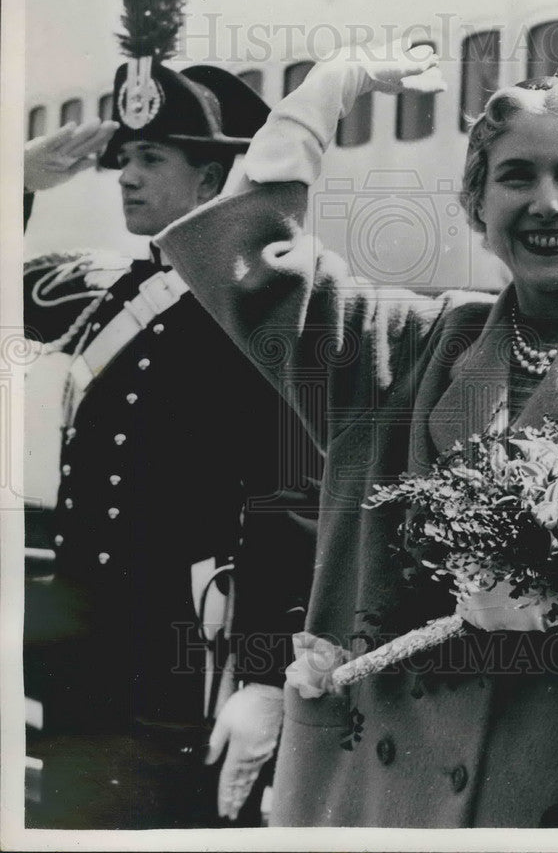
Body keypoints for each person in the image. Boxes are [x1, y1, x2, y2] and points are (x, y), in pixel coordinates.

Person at [158, 45, 558, 828]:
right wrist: (322, 99)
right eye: (516, 176)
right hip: (384, 805)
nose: (546, 203)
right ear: (478, 204)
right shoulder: (398, 351)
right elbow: (244, 263)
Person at [23, 68, 318, 830]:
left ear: (212, 178)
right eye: (126, 158)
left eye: (152, 159)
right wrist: (14, 180)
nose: (126, 176)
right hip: (85, 668)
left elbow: (288, 497)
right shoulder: (119, 293)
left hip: (184, 680)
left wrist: (263, 675)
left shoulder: (260, 309)